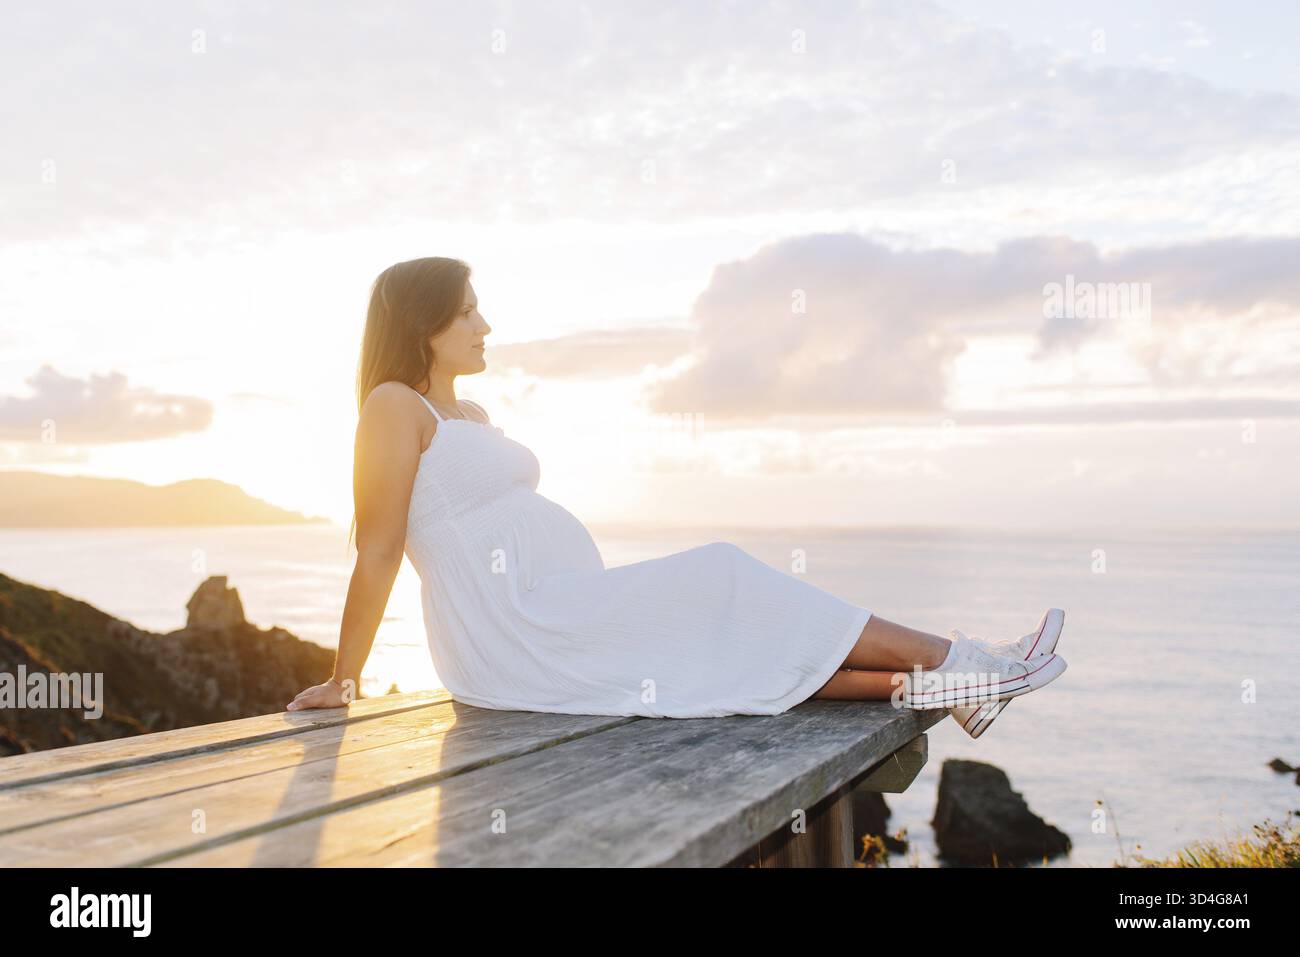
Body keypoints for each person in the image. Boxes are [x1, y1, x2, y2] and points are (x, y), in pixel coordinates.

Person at [287, 257, 1067, 732]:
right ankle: (955, 654)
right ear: (424, 323)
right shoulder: (393, 407)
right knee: (721, 575)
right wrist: (344, 676)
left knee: (730, 653)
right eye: (466, 310)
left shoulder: (472, 414)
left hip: (563, 607)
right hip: (516, 635)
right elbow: (381, 546)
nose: (485, 323)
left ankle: (958, 683)